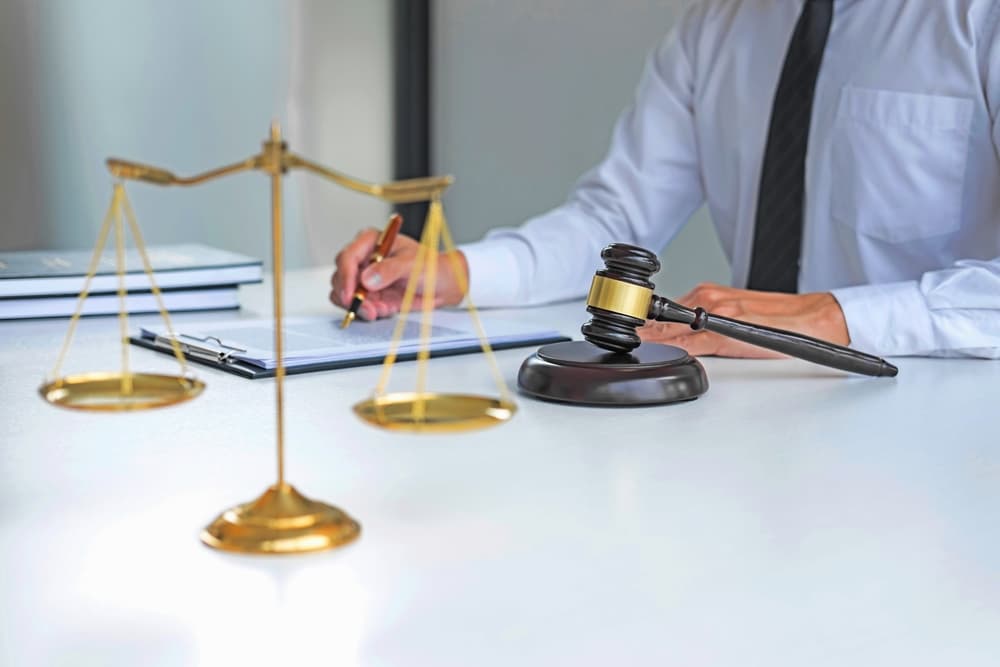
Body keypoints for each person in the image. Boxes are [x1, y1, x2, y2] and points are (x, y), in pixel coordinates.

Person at [331, 0, 1000, 359]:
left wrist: (834, 317)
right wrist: (457, 272)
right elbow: (612, 223)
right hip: (743, 421)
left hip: (936, 442)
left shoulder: (978, 19)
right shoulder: (717, 25)